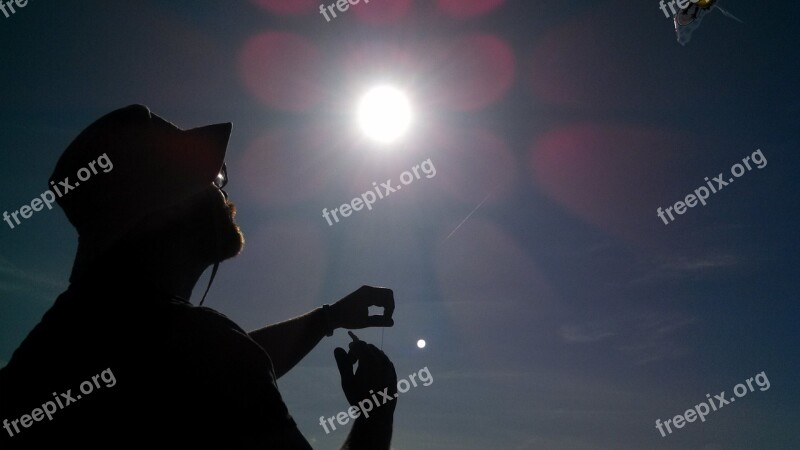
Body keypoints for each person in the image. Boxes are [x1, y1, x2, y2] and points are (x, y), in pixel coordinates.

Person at [0, 105, 397, 449]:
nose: (225, 193)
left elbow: (206, 372)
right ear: (161, 205)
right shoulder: (196, 345)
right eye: (210, 180)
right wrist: (375, 412)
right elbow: (218, 365)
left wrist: (330, 317)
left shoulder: (63, 340)